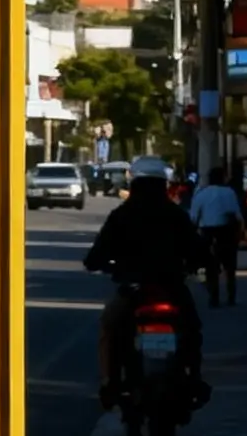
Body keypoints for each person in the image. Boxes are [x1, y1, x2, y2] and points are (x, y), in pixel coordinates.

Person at [84, 155, 206, 402]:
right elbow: (199, 251)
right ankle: (193, 377)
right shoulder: (176, 215)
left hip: (134, 288)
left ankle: (110, 381)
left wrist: (102, 265)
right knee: (192, 328)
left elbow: (96, 256)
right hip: (171, 288)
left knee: (110, 329)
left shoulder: (122, 215)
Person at [188, 163, 246, 307]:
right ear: (223, 178)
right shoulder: (229, 193)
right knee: (230, 267)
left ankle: (214, 297)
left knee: (210, 267)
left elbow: (194, 217)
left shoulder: (201, 193)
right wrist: (241, 232)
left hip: (207, 232)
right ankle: (231, 296)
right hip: (227, 232)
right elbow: (237, 215)